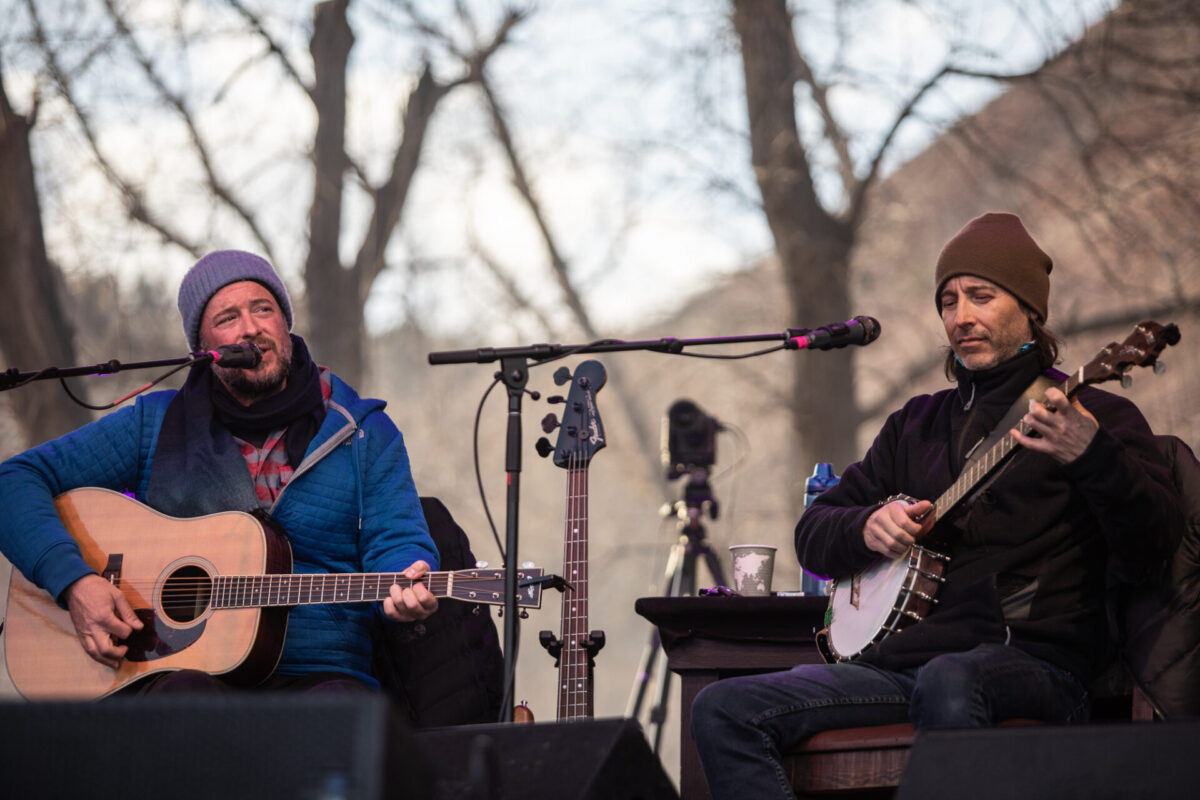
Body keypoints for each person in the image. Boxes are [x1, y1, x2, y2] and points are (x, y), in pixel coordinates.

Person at [690, 212, 1185, 799]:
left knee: (951, 680)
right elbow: (814, 536)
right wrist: (867, 527)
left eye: (982, 295)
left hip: (1036, 664)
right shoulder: (915, 425)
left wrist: (1090, 455)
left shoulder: (1092, 415)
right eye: (948, 301)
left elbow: (1153, 544)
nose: (961, 316)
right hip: (899, 666)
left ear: (1030, 310)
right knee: (721, 707)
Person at [0, 250, 439, 693]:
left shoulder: (363, 431)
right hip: (175, 674)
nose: (251, 327)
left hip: (322, 675)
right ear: (202, 349)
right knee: (186, 703)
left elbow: (399, 542)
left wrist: (406, 583)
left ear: (285, 324)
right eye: (228, 317)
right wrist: (73, 581)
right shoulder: (153, 422)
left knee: (343, 711)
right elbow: (13, 482)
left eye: (263, 309)